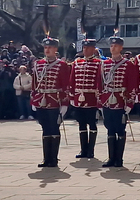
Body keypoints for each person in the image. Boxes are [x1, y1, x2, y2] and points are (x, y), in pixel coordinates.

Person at [30, 37, 71, 168]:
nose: (47, 50)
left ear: (55, 49)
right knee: (45, 128)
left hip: (55, 100)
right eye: (45, 48)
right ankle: (46, 158)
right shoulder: (38, 63)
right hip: (41, 100)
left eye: (50, 48)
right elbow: (35, 83)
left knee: (54, 127)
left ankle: (53, 158)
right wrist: (34, 99)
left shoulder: (62, 65)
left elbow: (66, 85)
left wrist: (65, 103)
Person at [100, 36, 138, 168]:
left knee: (120, 129)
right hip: (107, 100)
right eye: (111, 46)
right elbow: (100, 84)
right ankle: (111, 158)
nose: (113, 48)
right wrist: (101, 102)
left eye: (116, 46)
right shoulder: (105, 64)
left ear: (121, 48)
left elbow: (132, 84)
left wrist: (130, 103)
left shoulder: (128, 64)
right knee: (109, 128)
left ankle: (119, 159)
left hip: (121, 99)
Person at [70, 39, 104, 159]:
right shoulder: (77, 62)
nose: (85, 50)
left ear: (93, 49)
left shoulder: (98, 63)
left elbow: (100, 82)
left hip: (92, 98)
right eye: (84, 48)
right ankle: (83, 150)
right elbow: (72, 80)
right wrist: (72, 96)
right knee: (81, 124)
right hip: (79, 97)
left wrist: (100, 99)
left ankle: (91, 150)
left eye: (88, 48)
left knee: (92, 124)